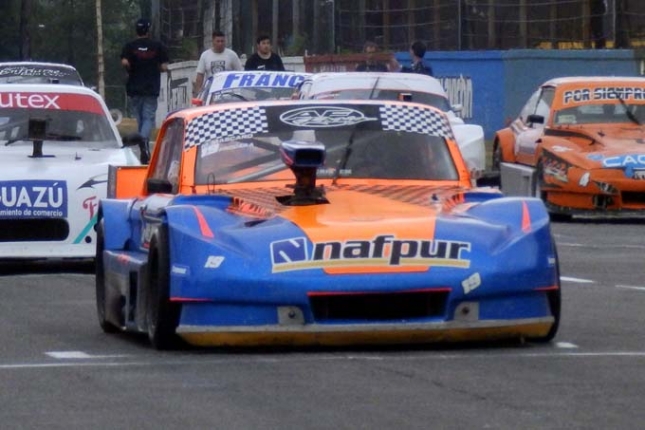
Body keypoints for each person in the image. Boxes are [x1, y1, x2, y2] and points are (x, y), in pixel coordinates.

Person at [120, 18, 169, 161]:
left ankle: (143, 143)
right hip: (151, 87)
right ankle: (143, 142)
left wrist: (130, 67)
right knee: (148, 117)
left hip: (134, 86)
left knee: (140, 117)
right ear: (148, 30)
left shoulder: (130, 46)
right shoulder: (157, 46)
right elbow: (164, 66)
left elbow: (124, 62)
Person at [194, 30, 242, 96]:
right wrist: (198, 92)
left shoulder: (232, 55)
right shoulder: (205, 55)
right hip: (211, 92)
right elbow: (200, 75)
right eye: (218, 41)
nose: (220, 43)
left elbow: (240, 73)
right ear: (213, 41)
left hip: (228, 92)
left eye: (222, 41)